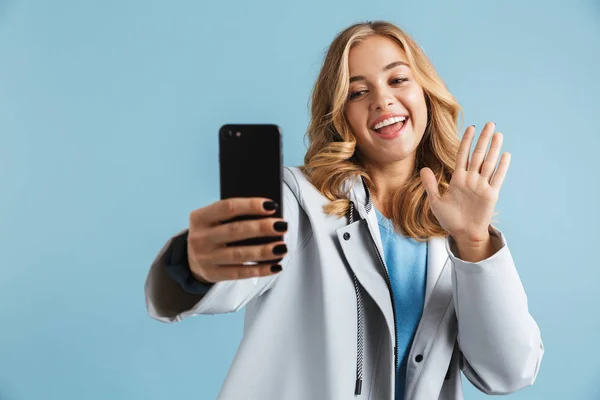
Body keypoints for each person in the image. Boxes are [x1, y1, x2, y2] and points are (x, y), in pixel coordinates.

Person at [144, 20, 543, 400]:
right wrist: (194, 265)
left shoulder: (454, 230)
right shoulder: (298, 199)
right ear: (340, 115)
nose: (382, 99)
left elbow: (508, 371)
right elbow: (239, 272)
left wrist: (474, 241)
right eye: (357, 92)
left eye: (398, 79)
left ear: (426, 92)